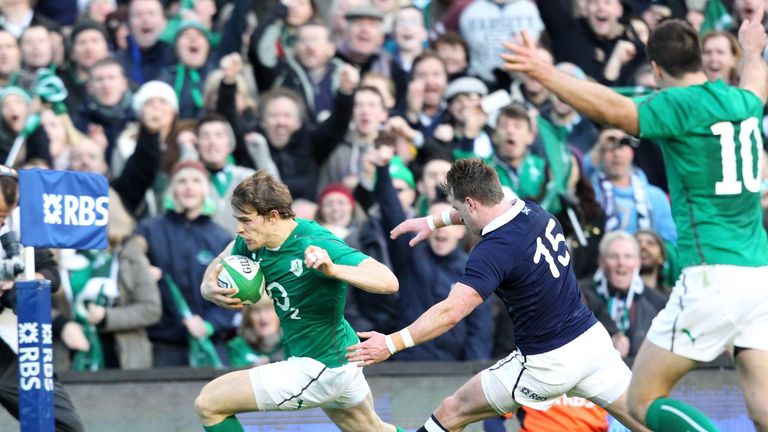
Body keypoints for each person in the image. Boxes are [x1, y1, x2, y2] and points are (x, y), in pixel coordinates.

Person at [501, 12, 768, 432]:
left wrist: (543, 71)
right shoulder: (744, 101)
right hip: (759, 275)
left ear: (657, 70)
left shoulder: (677, 105)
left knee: (642, 401)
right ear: (700, 59)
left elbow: (611, 108)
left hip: (714, 274)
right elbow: (756, 80)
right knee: (764, 410)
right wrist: (752, 48)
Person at [347, 158, 646, 432]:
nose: (460, 216)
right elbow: (476, 208)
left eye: (459, 209)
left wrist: (391, 342)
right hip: (593, 343)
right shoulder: (533, 210)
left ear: (470, 203)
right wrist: (432, 221)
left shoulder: (492, 250)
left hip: (548, 363)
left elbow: (450, 312)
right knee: (641, 418)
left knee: (452, 411)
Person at [195, 170, 406, 432]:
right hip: (340, 356)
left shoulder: (316, 243)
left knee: (209, 403)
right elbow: (223, 256)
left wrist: (333, 270)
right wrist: (207, 287)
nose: (239, 228)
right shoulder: (253, 241)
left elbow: (388, 281)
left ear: (273, 217)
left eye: (246, 220)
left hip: (321, 367)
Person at [0, 166, 84, 431]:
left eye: (6, 215)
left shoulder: (21, 224)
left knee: (63, 423)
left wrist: (28, 280)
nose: (2, 223)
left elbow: (51, 272)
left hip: (11, 343)